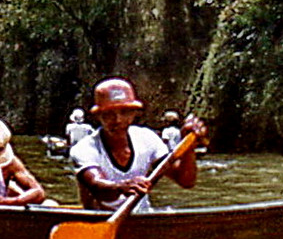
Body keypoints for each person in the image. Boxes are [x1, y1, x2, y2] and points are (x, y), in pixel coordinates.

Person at [70, 77, 208, 212]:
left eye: (124, 112)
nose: (118, 120)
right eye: (109, 114)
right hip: (99, 221)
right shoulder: (84, 149)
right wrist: (121, 187)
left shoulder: (147, 139)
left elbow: (186, 181)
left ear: (134, 113)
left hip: (141, 218)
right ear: (98, 116)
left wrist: (189, 148)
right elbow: (96, 186)